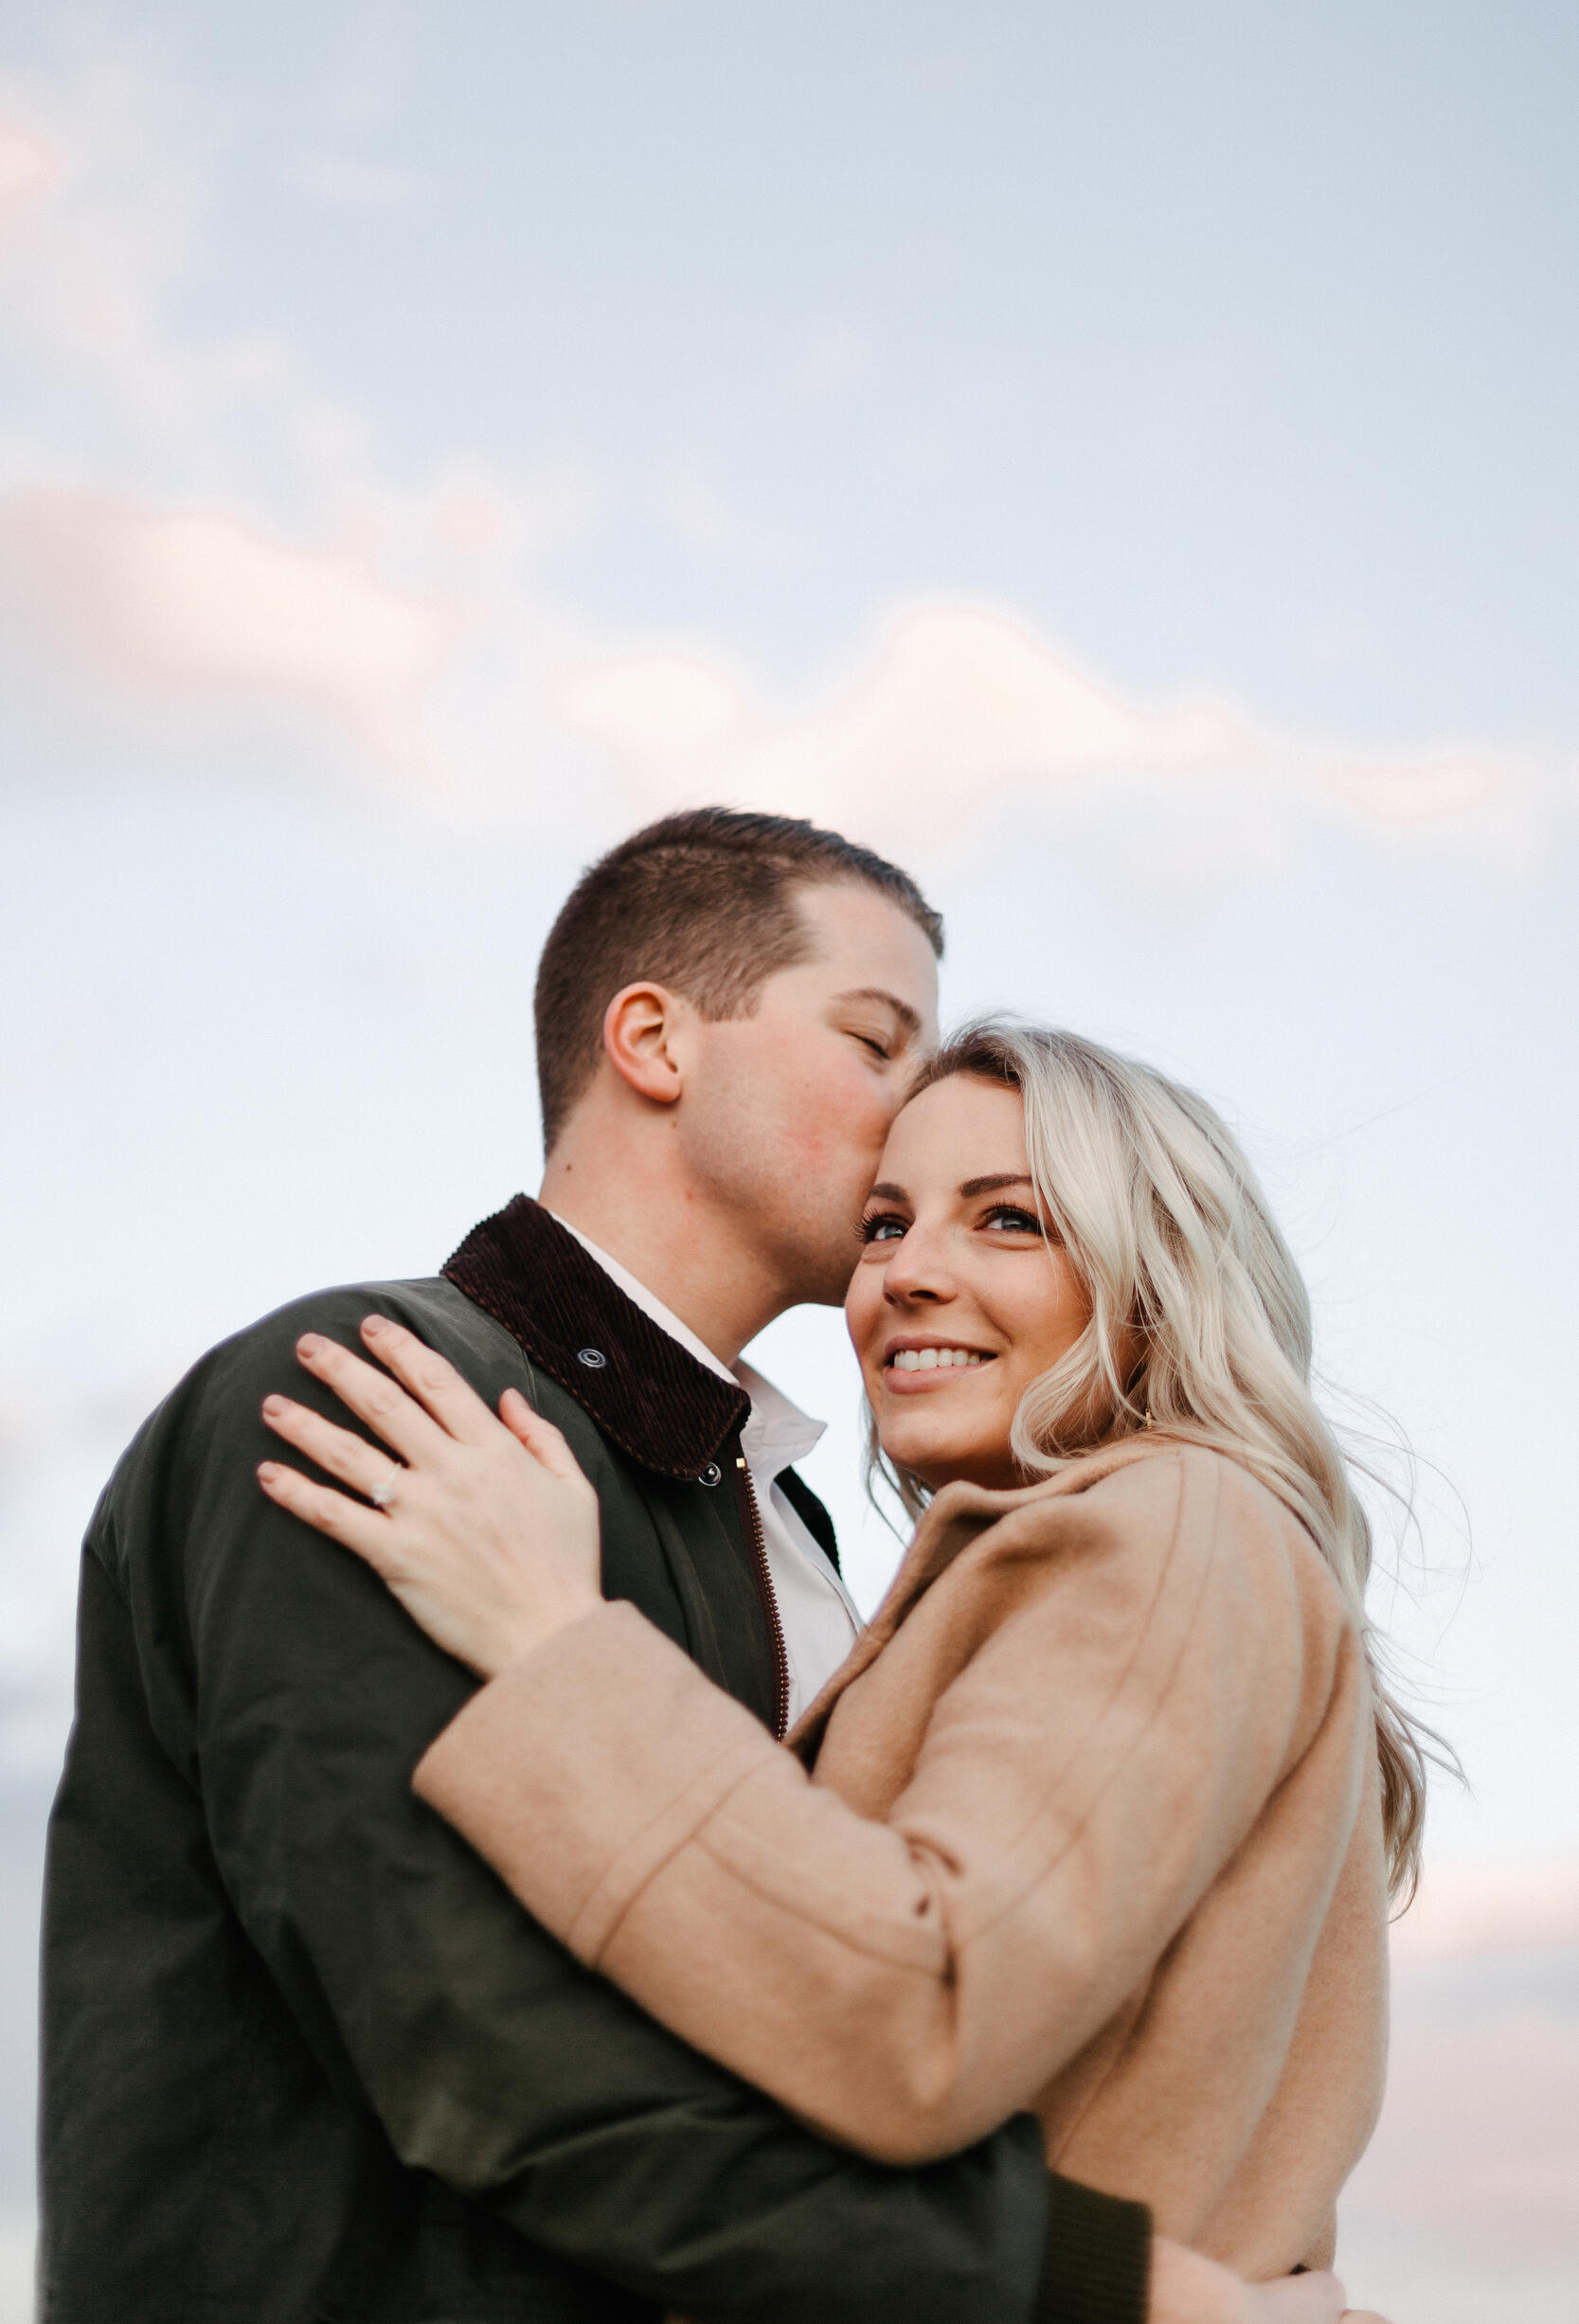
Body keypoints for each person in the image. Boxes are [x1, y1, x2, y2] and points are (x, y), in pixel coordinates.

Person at [41, 807, 1357, 2324]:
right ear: (656, 1042)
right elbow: (497, 2051)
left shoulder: (795, 1527)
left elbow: (829, 1999)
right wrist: (1113, 2290)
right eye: (878, 1042)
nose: (914, 1102)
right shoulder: (386, 1398)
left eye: (1009, 1210)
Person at [262, 1019, 1417, 2308]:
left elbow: (922, 2012)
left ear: (1155, 1285)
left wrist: (555, 1643)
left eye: (1009, 1221)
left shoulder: (1166, 1527)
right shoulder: (1120, 1553)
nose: (907, 1274)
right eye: (883, 1224)